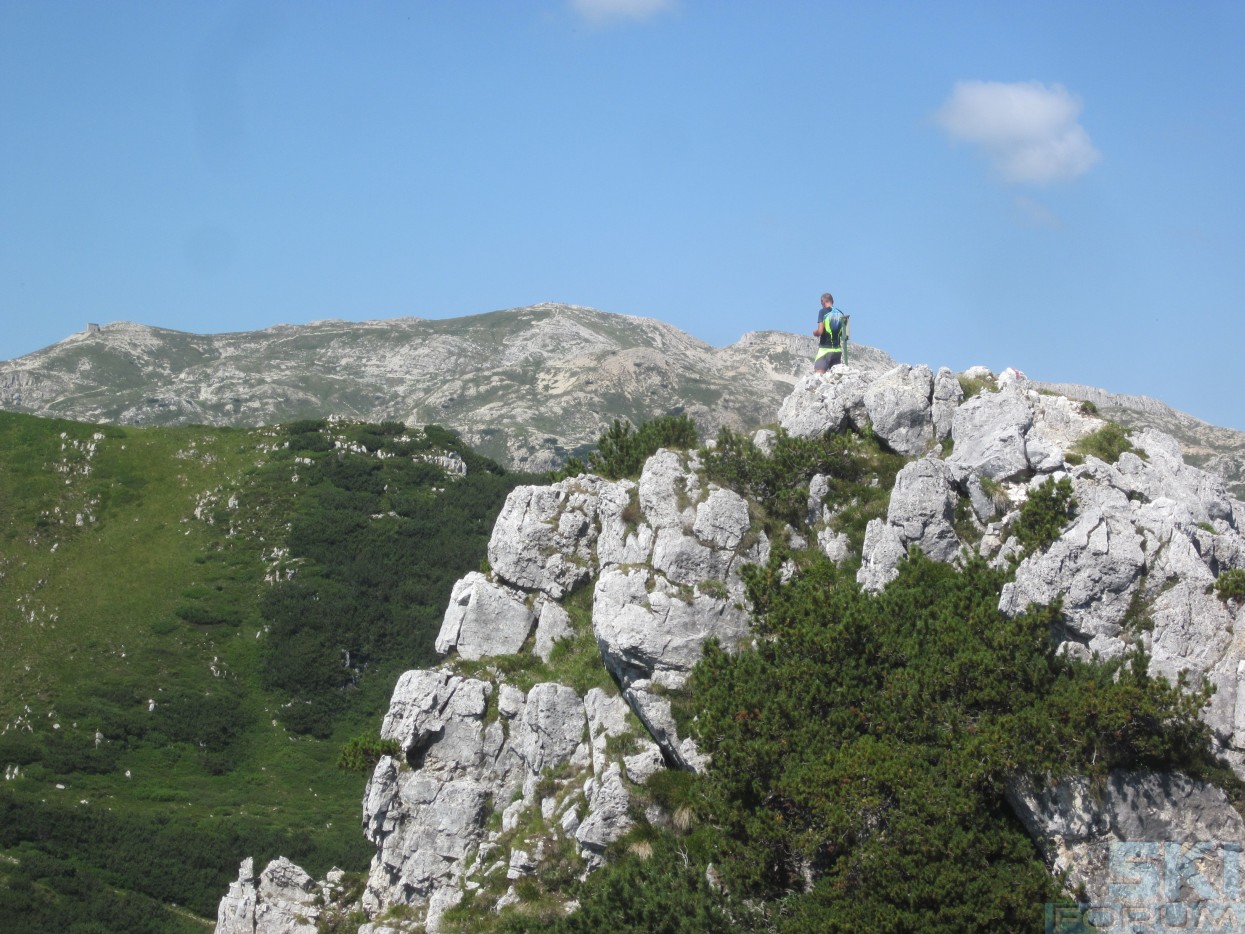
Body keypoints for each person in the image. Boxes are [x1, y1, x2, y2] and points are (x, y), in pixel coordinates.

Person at [812, 292, 849, 373]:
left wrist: (815, 332)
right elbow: (844, 333)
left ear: (823, 302)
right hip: (837, 350)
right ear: (832, 301)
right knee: (835, 376)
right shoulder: (841, 313)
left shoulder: (823, 312)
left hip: (825, 349)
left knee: (819, 375)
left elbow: (820, 331)